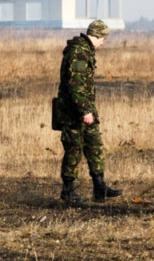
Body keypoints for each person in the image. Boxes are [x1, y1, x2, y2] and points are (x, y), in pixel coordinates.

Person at [54, 19, 122, 203]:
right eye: (103, 39)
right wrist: (85, 111)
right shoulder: (79, 53)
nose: (103, 43)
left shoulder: (86, 51)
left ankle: (99, 187)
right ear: (97, 35)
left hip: (85, 109)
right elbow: (75, 86)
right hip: (74, 113)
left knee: (95, 146)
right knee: (74, 149)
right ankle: (67, 191)